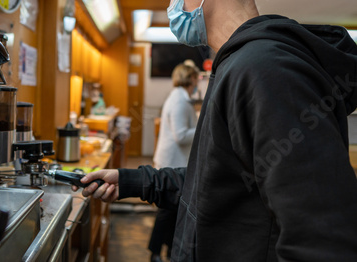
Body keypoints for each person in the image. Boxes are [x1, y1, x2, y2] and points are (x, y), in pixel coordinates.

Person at [74, 0, 357, 261]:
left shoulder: (266, 70)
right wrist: (133, 181)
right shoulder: (236, 65)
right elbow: (216, 182)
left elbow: (321, 239)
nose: (173, 5)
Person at [150, 62, 200, 262]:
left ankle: (168, 251)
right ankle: (154, 252)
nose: (198, 82)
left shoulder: (180, 97)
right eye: (196, 78)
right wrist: (203, 127)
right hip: (172, 162)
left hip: (171, 160)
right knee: (167, 212)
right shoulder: (180, 101)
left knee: (172, 211)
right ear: (190, 79)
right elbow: (180, 136)